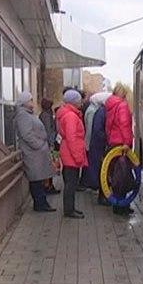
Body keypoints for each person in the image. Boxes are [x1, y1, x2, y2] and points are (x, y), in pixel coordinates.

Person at [13, 92, 56, 213]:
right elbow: (26, 134)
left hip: (36, 153)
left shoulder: (28, 114)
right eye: (30, 100)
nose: (32, 102)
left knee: (39, 178)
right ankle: (40, 204)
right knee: (36, 179)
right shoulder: (23, 115)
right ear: (24, 102)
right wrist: (39, 145)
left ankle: (42, 202)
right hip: (32, 153)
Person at [56, 89, 88, 219]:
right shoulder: (71, 116)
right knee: (71, 184)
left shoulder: (69, 114)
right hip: (71, 155)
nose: (81, 103)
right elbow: (72, 138)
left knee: (71, 183)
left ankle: (71, 208)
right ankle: (69, 210)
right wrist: (78, 157)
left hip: (68, 153)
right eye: (79, 100)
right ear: (74, 102)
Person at [105, 82, 134, 215]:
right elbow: (125, 126)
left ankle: (117, 204)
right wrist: (127, 142)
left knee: (116, 176)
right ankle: (122, 206)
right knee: (123, 176)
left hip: (113, 144)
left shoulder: (110, 106)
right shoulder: (122, 106)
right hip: (122, 145)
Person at [87, 93, 110, 205]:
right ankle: (102, 197)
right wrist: (107, 138)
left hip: (98, 146)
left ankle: (104, 196)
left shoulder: (100, 111)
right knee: (103, 171)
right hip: (100, 147)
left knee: (102, 170)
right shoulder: (102, 112)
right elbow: (97, 131)